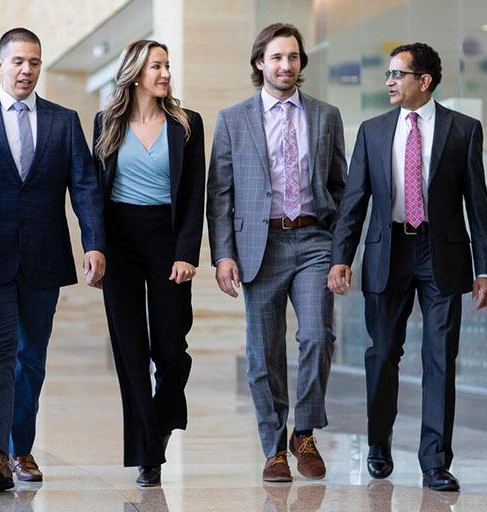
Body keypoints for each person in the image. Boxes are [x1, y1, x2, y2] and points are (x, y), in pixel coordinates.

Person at [328, 42, 487, 492]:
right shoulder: (373, 131)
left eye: (397, 74)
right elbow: (354, 202)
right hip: (389, 252)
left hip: (441, 253)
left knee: (440, 357)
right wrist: (341, 257)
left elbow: (477, 205)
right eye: (388, 73)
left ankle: (435, 462)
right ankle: (379, 444)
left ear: (424, 80)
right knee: (383, 354)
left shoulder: (464, 130)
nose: (389, 81)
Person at [0, 27, 105, 491]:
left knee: (32, 358)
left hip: (43, 258)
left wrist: (94, 242)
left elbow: (84, 186)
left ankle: (20, 448)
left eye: (35, 62)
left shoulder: (64, 121)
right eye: (18, 61)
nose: (27, 70)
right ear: (0, 64)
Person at [206, 23, 347, 483]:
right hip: (258, 245)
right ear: (259, 63)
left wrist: (341, 249)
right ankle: (273, 448)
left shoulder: (326, 116)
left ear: (301, 63)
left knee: (317, 336)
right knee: (263, 350)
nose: (286, 66)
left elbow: (340, 187)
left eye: (293, 57)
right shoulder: (233, 119)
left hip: (312, 241)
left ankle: (303, 432)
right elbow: (220, 194)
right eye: (277, 57)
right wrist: (223, 254)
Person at [92, 39, 204, 487]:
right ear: (136, 73)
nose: (165, 73)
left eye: (167, 66)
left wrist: (186, 253)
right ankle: (147, 453)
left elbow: (194, 194)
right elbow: (93, 191)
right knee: (131, 349)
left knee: (171, 349)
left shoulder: (186, 124)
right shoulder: (107, 122)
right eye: (157, 66)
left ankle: (162, 418)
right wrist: (96, 248)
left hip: (166, 238)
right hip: (119, 239)